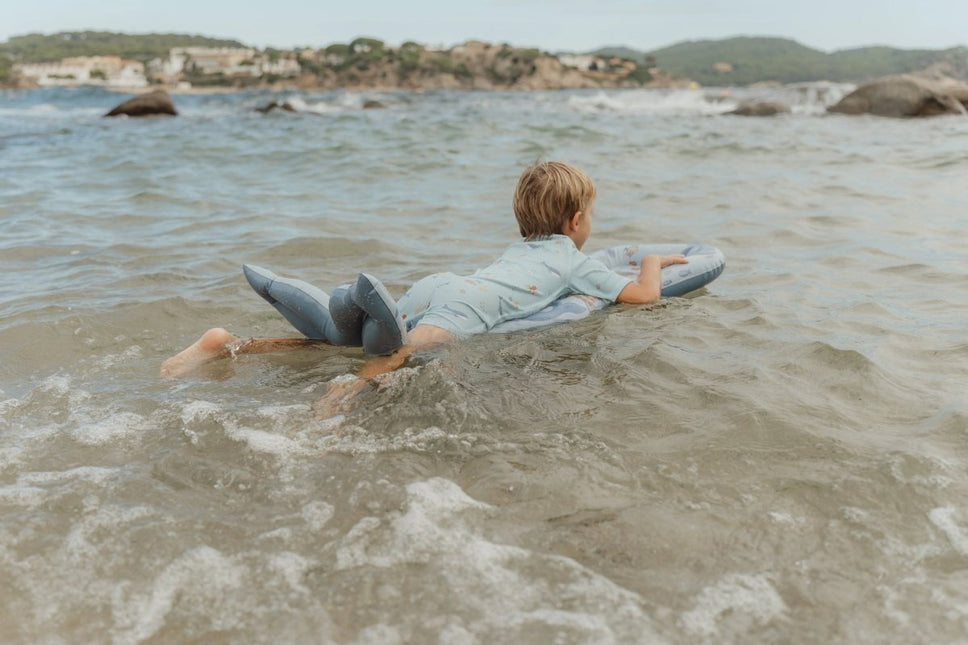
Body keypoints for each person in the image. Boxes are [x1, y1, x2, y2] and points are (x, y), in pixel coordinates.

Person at [161, 161, 688, 412]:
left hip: (445, 284)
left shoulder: (523, 248)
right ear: (577, 221)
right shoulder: (575, 261)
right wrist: (653, 261)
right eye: (591, 215)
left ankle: (230, 345)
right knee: (399, 354)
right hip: (469, 306)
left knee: (349, 339)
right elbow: (645, 298)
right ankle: (341, 399)